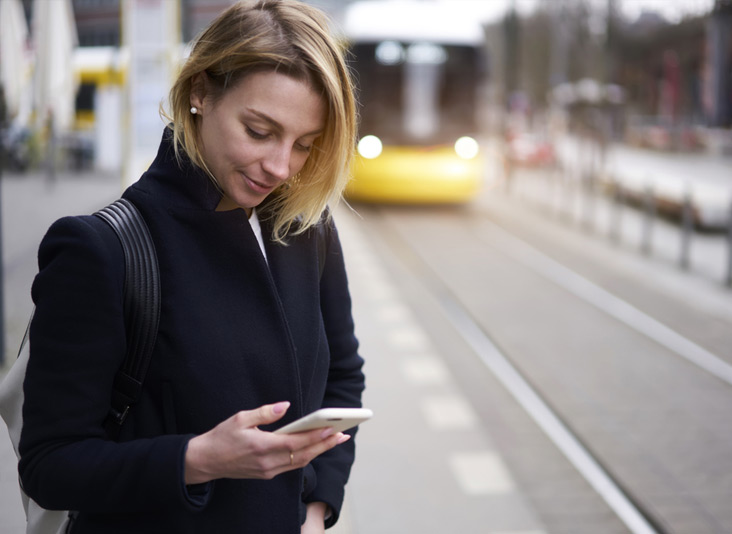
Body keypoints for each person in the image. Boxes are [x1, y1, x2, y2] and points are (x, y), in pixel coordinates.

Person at [18, 1, 365, 532]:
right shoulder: (102, 249)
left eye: (304, 145)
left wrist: (316, 509)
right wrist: (197, 459)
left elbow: (342, 376)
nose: (280, 167)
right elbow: (48, 465)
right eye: (259, 130)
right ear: (200, 92)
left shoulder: (305, 229)